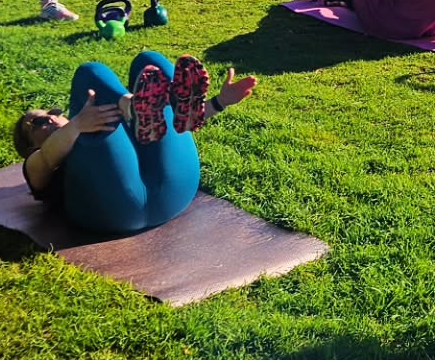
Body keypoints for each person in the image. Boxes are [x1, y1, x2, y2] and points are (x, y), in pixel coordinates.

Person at [15, 50, 257, 238]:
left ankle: (164, 103)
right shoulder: (35, 166)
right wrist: (76, 126)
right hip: (110, 213)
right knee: (89, 73)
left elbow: (168, 131)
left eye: (52, 111)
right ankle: (130, 105)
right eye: (35, 123)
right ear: (29, 148)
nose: (49, 117)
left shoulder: (123, 126)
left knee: (149, 61)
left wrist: (219, 102)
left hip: (176, 190)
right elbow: (46, 158)